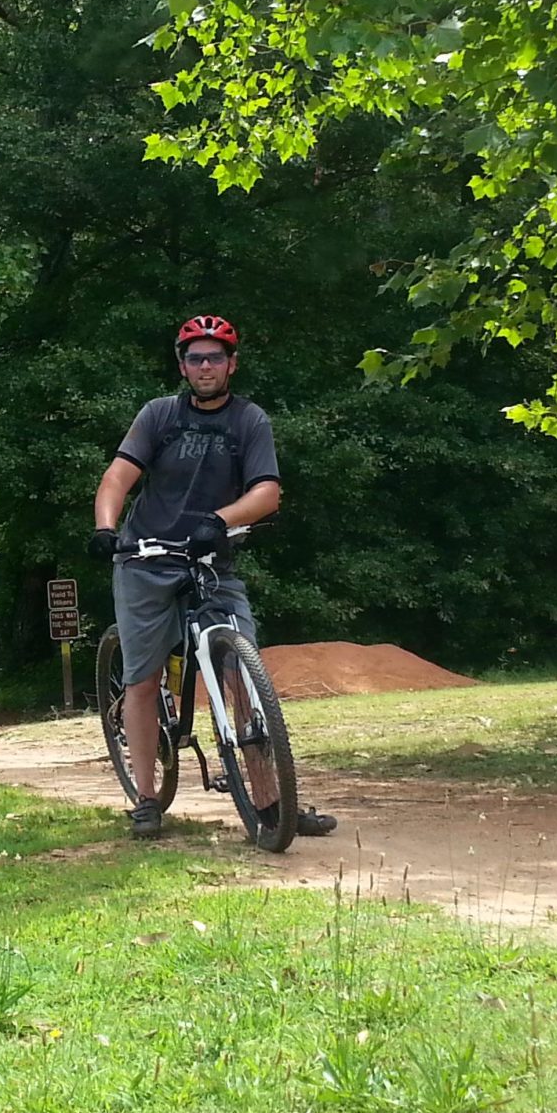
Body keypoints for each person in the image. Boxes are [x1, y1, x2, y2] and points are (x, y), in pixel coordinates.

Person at [89, 315, 336, 841]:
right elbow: (117, 477)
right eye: (196, 358)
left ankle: (273, 806)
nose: (206, 366)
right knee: (142, 678)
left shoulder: (249, 421)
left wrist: (219, 522)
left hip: (209, 560)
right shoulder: (159, 415)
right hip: (146, 559)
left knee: (242, 676)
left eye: (216, 357)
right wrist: (106, 528)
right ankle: (148, 800)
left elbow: (268, 492)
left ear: (232, 364)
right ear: (183, 365)